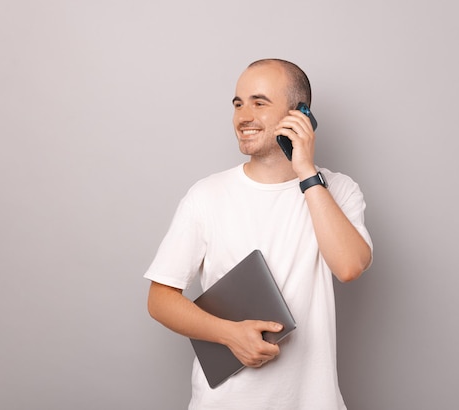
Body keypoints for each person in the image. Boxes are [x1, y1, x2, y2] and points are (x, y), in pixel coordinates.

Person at [144, 58, 373, 410]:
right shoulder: (207, 195)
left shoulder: (338, 190)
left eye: (259, 102)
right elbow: (159, 299)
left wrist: (306, 173)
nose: (243, 116)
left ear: (300, 115)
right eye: (238, 103)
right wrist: (229, 335)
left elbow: (349, 266)